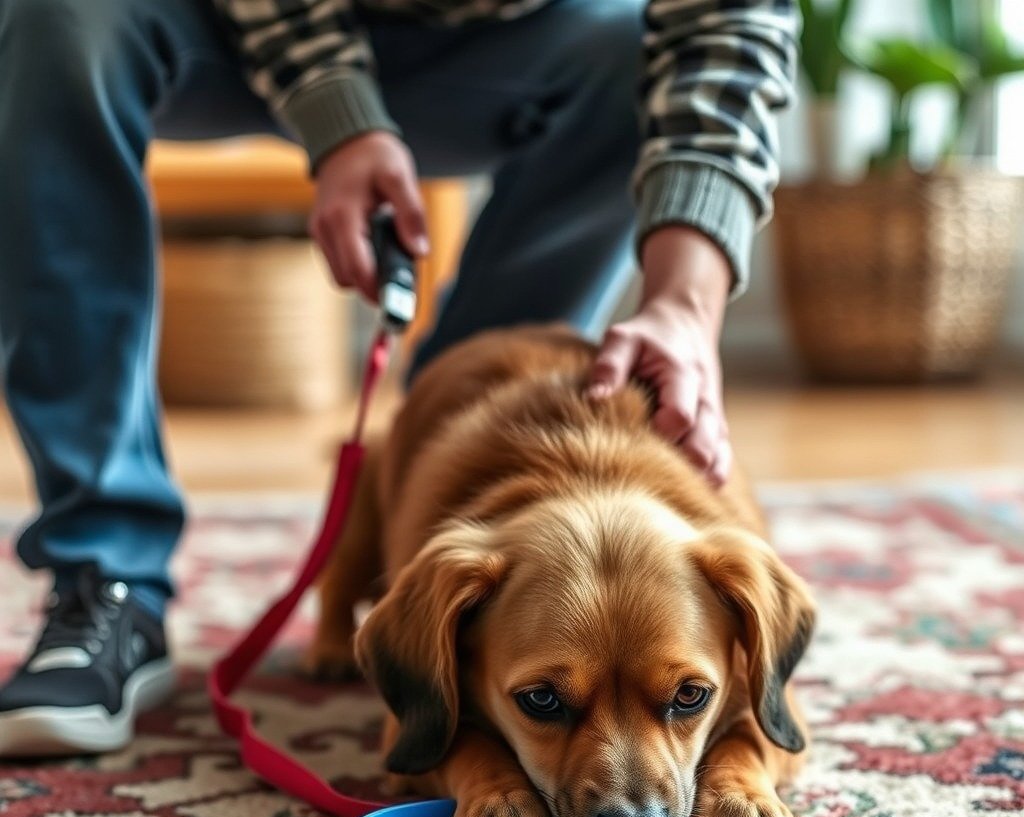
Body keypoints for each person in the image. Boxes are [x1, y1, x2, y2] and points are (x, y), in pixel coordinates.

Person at [0, 0, 797, 755]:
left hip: (527, 41)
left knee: (630, 48)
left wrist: (684, 302)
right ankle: (105, 577)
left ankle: (490, 592)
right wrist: (337, 111)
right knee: (58, 12)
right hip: (226, 25)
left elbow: (731, 30)